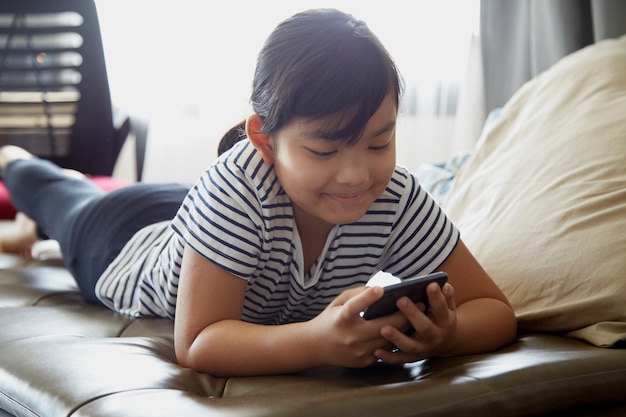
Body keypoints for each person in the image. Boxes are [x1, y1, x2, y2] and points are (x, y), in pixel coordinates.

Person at [0, 8, 517, 377]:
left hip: (199, 219)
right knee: (56, 193)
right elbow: (199, 342)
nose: (357, 175)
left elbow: (494, 310)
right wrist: (316, 341)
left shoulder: (398, 198)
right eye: (324, 151)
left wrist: (446, 335)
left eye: (380, 142)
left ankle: (30, 222)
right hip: (121, 239)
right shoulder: (237, 187)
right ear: (264, 142)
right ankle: (14, 162)